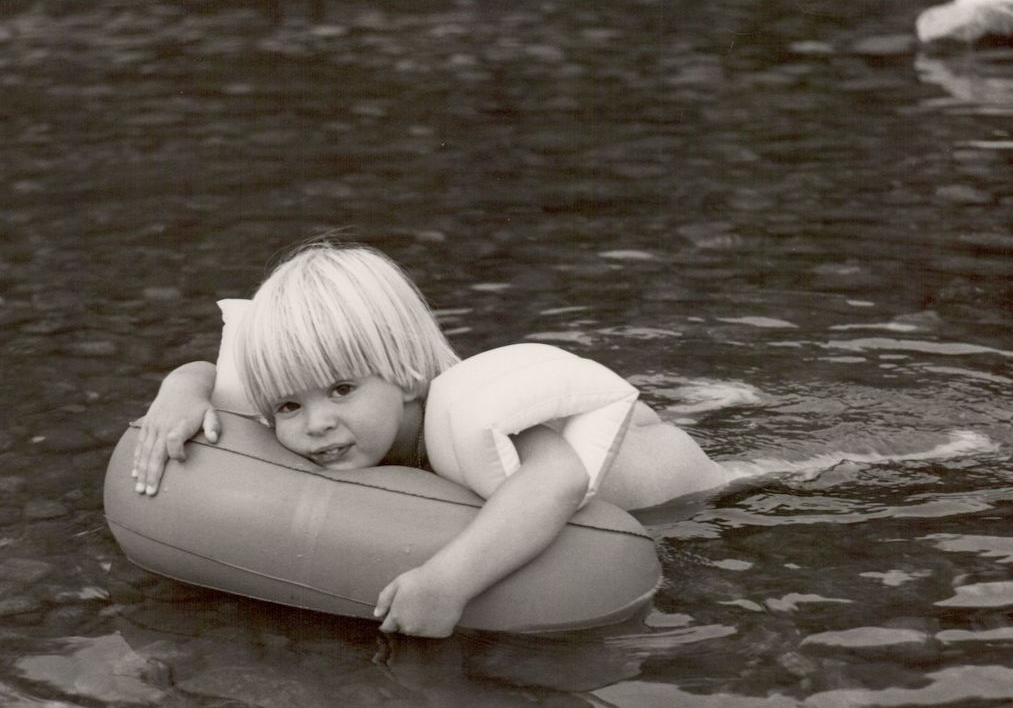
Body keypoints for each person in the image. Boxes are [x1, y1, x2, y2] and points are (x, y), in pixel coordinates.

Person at [131, 241, 727, 638]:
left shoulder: (463, 419)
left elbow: (561, 477)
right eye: (289, 404)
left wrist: (447, 584)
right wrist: (178, 393)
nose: (315, 424)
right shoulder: (338, 421)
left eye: (341, 389)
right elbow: (212, 376)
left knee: (755, 476)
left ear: (407, 374)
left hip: (672, 477)